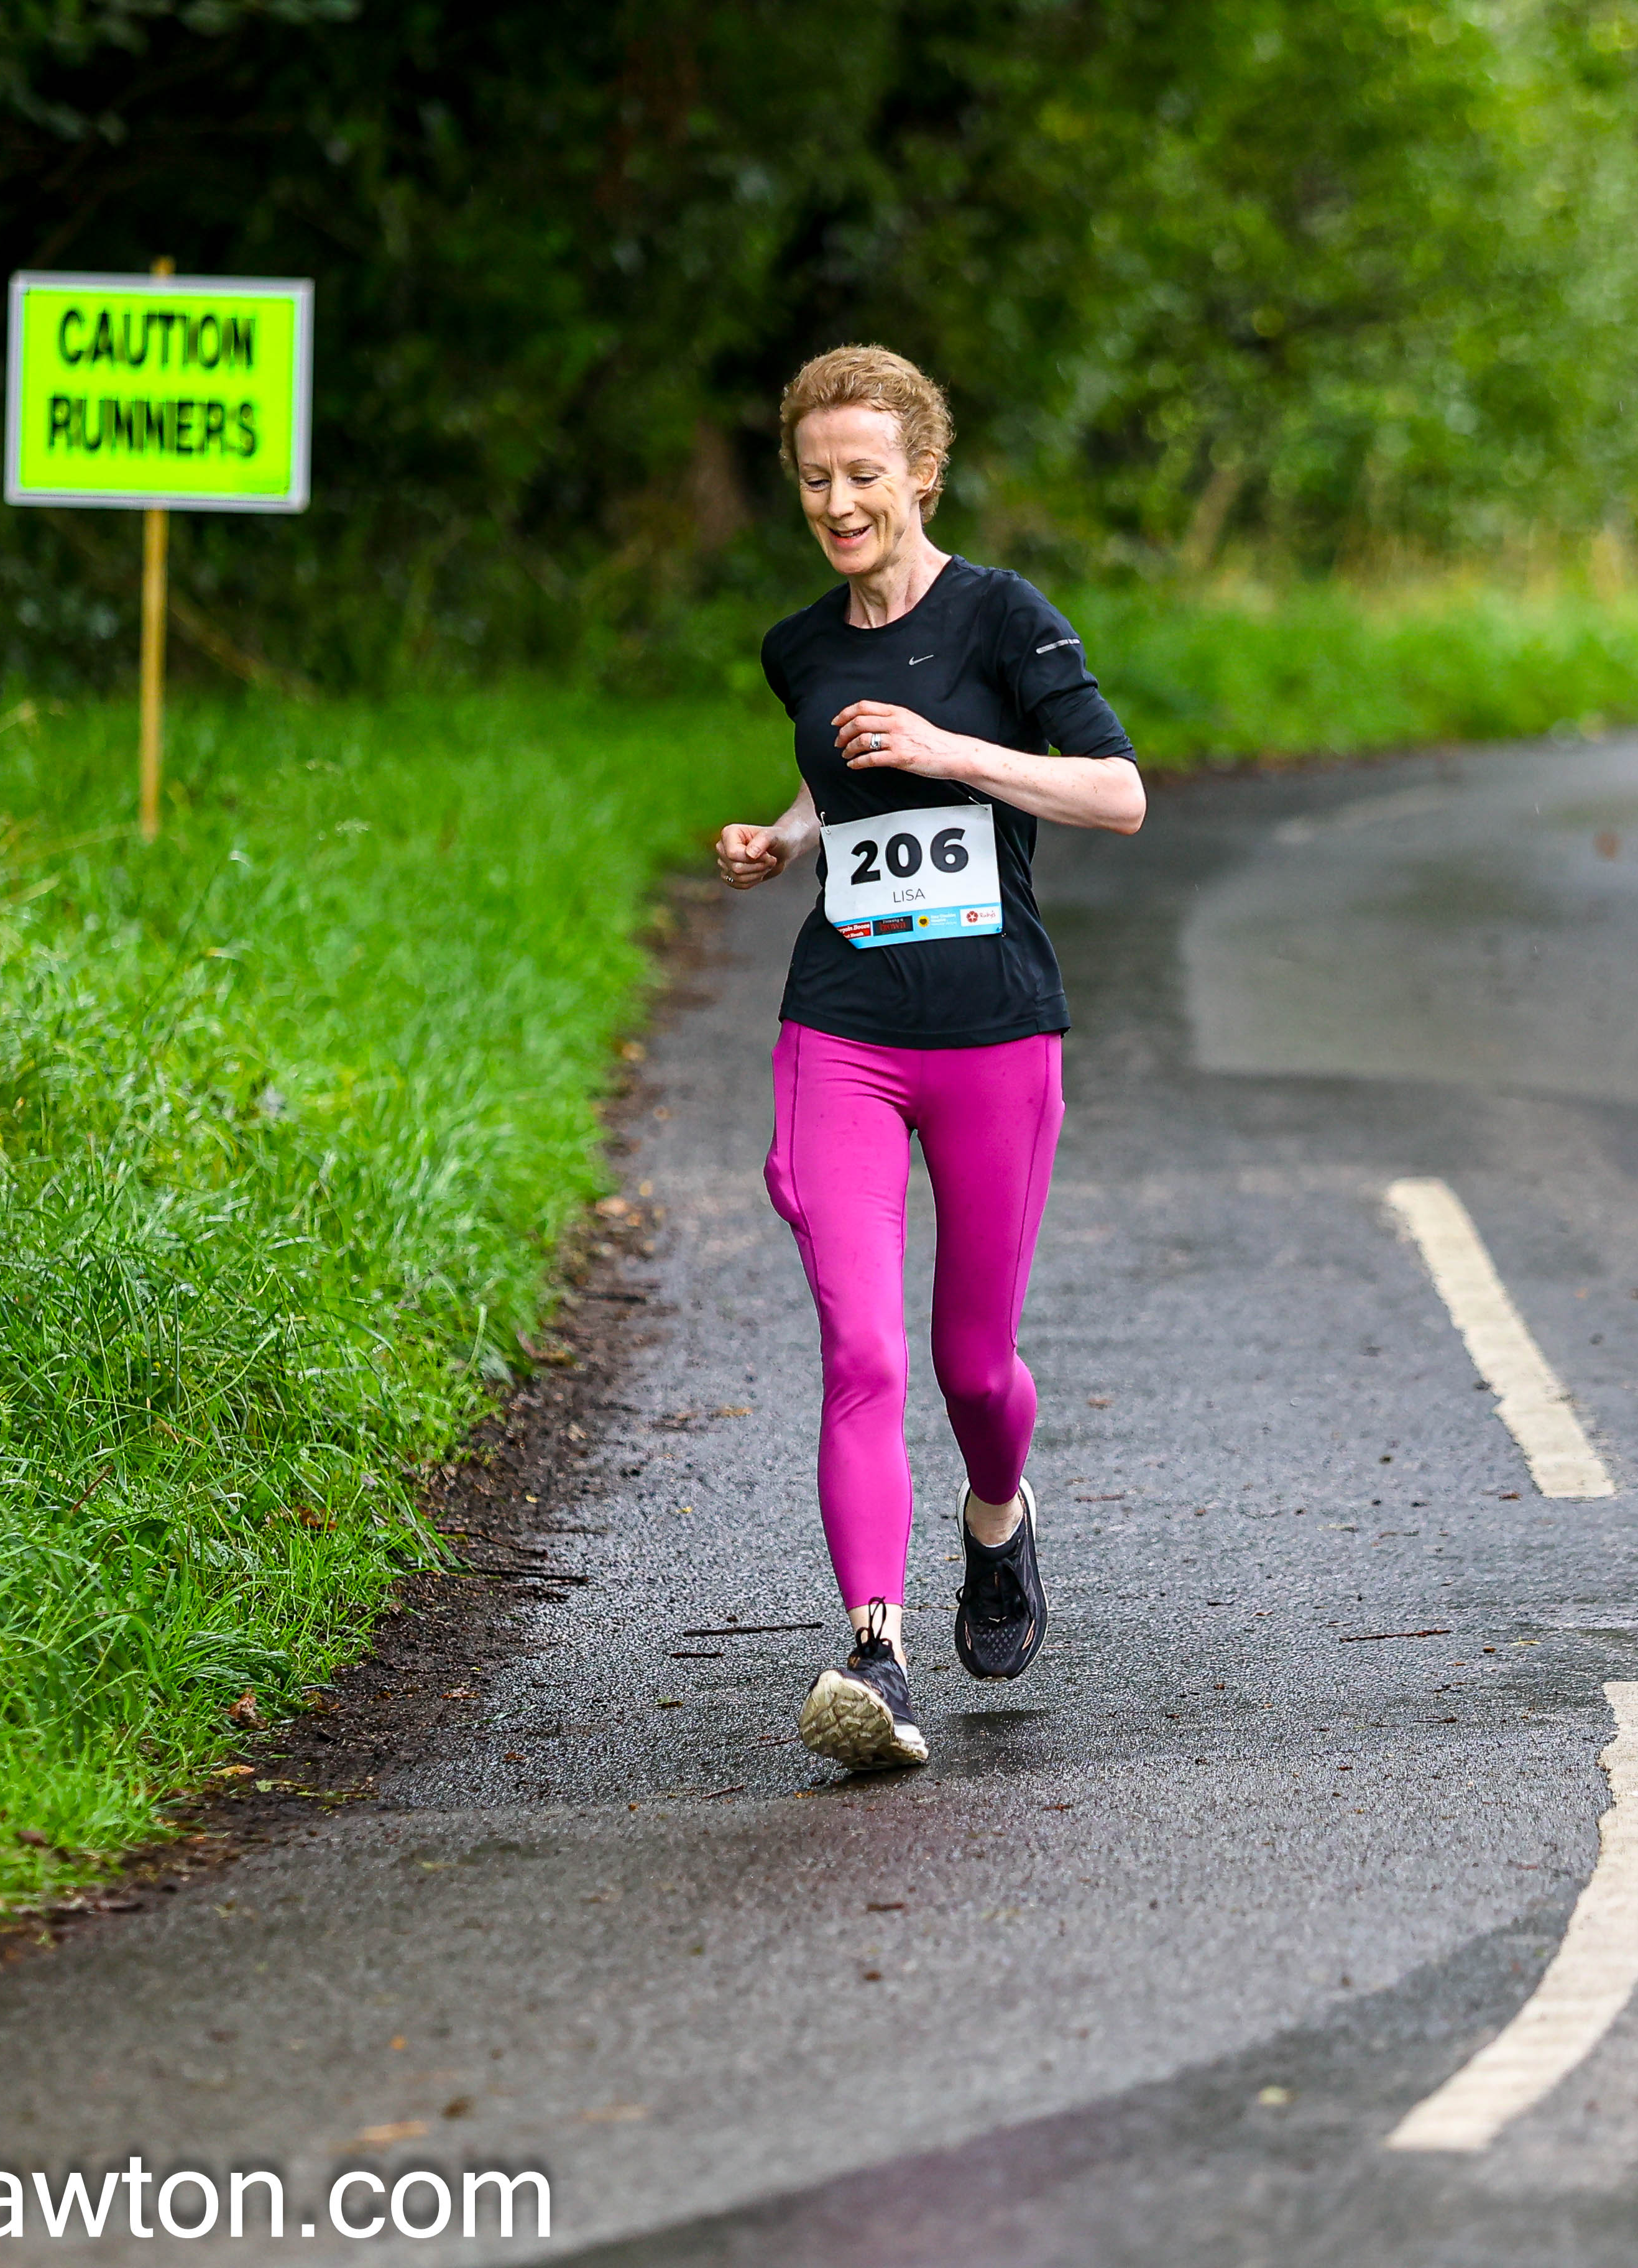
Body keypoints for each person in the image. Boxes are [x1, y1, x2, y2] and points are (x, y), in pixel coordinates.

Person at [713, 345, 1146, 1769]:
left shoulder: (1006, 619)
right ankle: (875, 1656)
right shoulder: (799, 645)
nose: (839, 504)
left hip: (994, 1031)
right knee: (863, 1347)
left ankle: (999, 1518)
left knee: (972, 1365)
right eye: (814, 480)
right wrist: (786, 836)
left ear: (923, 475)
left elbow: (1119, 794)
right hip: (840, 1024)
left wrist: (954, 750)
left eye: (864, 476)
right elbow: (838, 772)